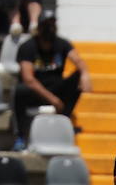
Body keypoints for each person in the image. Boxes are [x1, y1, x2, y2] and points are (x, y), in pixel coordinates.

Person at [11, 14, 91, 150]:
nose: (50, 29)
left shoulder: (61, 43)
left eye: (52, 25)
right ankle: (20, 136)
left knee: (77, 79)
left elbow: (78, 61)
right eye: (47, 25)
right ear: (39, 28)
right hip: (36, 91)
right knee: (20, 91)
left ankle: (64, 122)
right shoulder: (28, 47)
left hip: (56, 87)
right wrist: (53, 99)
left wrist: (84, 74)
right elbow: (29, 79)